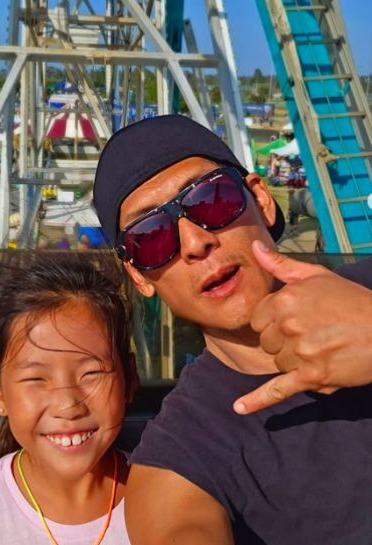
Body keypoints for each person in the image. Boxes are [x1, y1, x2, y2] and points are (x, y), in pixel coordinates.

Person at [92, 114, 372, 545]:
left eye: (212, 199)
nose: (195, 243)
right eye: (150, 236)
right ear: (139, 278)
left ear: (261, 200)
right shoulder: (180, 457)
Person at [0, 255, 138, 545]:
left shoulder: (169, 494)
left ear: (130, 378)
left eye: (92, 373)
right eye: (36, 379)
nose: (68, 406)